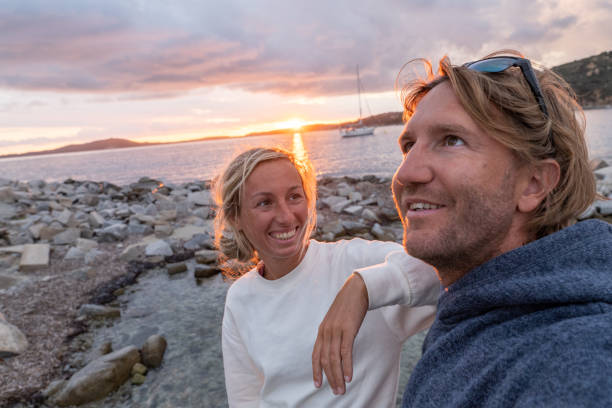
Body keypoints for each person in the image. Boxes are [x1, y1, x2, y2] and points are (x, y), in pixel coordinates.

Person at [312, 50, 612, 407]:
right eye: (409, 145)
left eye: (452, 140)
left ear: (533, 183)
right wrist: (362, 284)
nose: (405, 174)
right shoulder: (479, 302)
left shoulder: (573, 362)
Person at [215, 146, 439, 407]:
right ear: (235, 217)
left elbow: (450, 269)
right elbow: (245, 400)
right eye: (265, 202)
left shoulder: (356, 262)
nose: (286, 217)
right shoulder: (240, 297)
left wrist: (362, 289)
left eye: (294, 196)